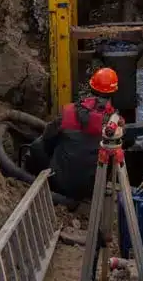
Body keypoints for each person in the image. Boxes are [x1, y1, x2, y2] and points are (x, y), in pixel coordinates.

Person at [26, 67, 119, 202]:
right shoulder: (112, 123)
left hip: (60, 184)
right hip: (92, 188)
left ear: (90, 89)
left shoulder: (69, 112)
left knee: (37, 145)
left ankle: (38, 181)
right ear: (113, 93)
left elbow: (47, 138)